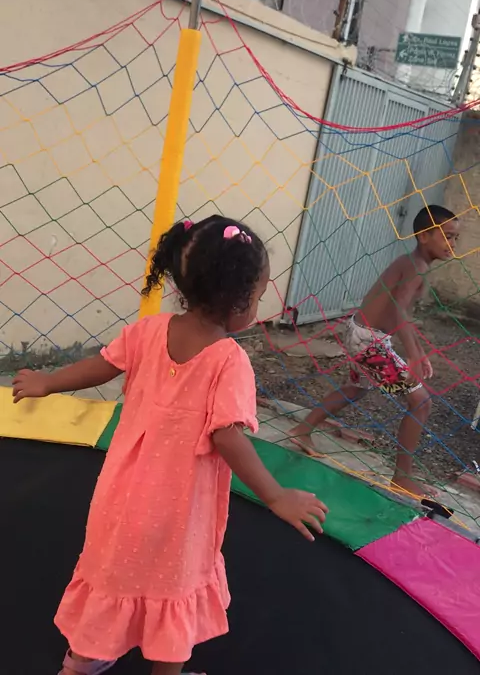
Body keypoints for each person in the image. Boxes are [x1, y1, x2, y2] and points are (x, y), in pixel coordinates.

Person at [12, 215, 328, 675]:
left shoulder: (148, 330)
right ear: (237, 298)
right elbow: (227, 436)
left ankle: (80, 663)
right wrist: (275, 495)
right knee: (172, 595)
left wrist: (48, 382)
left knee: (111, 576)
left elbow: (103, 364)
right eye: (259, 295)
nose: (259, 304)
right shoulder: (229, 361)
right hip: (179, 514)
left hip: (119, 500)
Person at [290, 205, 460, 498]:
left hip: (363, 334)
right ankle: (402, 478)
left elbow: (403, 313)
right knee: (420, 402)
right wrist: (413, 355)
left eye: (456, 238)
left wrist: (419, 351)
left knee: (356, 388)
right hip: (369, 342)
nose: (452, 244)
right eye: (446, 236)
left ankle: (302, 430)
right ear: (424, 236)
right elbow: (398, 309)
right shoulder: (415, 266)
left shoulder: (414, 263)